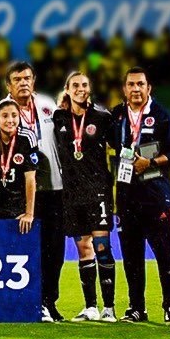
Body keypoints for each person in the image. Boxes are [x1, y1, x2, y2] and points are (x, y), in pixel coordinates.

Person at [0, 61, 65, 322]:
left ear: (34, 80)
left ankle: (49, 302)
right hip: (18, 195)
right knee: (27, 250)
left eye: (27, 78)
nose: (23, 83)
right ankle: (30, 301)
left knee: (55, 249)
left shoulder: (48, 105)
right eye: (17, 79)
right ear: (9, 85)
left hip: (53, 188)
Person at [108, 67, 170, 323]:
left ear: (148, 88)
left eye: (140, 84)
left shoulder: (162, 115)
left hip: (156, 197)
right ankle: (136, 308)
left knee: (165, 254)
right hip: (126, 196)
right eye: (131, 84)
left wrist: (151, 164)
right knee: (131, 257)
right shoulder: (118, 115)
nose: (136, 89)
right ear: (124, 89)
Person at [52, 71, 117, 322]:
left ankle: (109, 308)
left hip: (98, 190)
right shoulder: (59, 117)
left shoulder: (101, 117)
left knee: (102, 246)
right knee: (83, 248)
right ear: (67, 89)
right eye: (75, 85)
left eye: (85, 85)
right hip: (72, 192)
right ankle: (90, 306)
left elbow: (120, 144)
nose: (81, 89)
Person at [0, 100, 37, 235]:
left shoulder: (27, 137)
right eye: (5, 116)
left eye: (14, 115)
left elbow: (30, 179)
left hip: (17, 207)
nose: (10, 120)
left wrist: (29, 213)